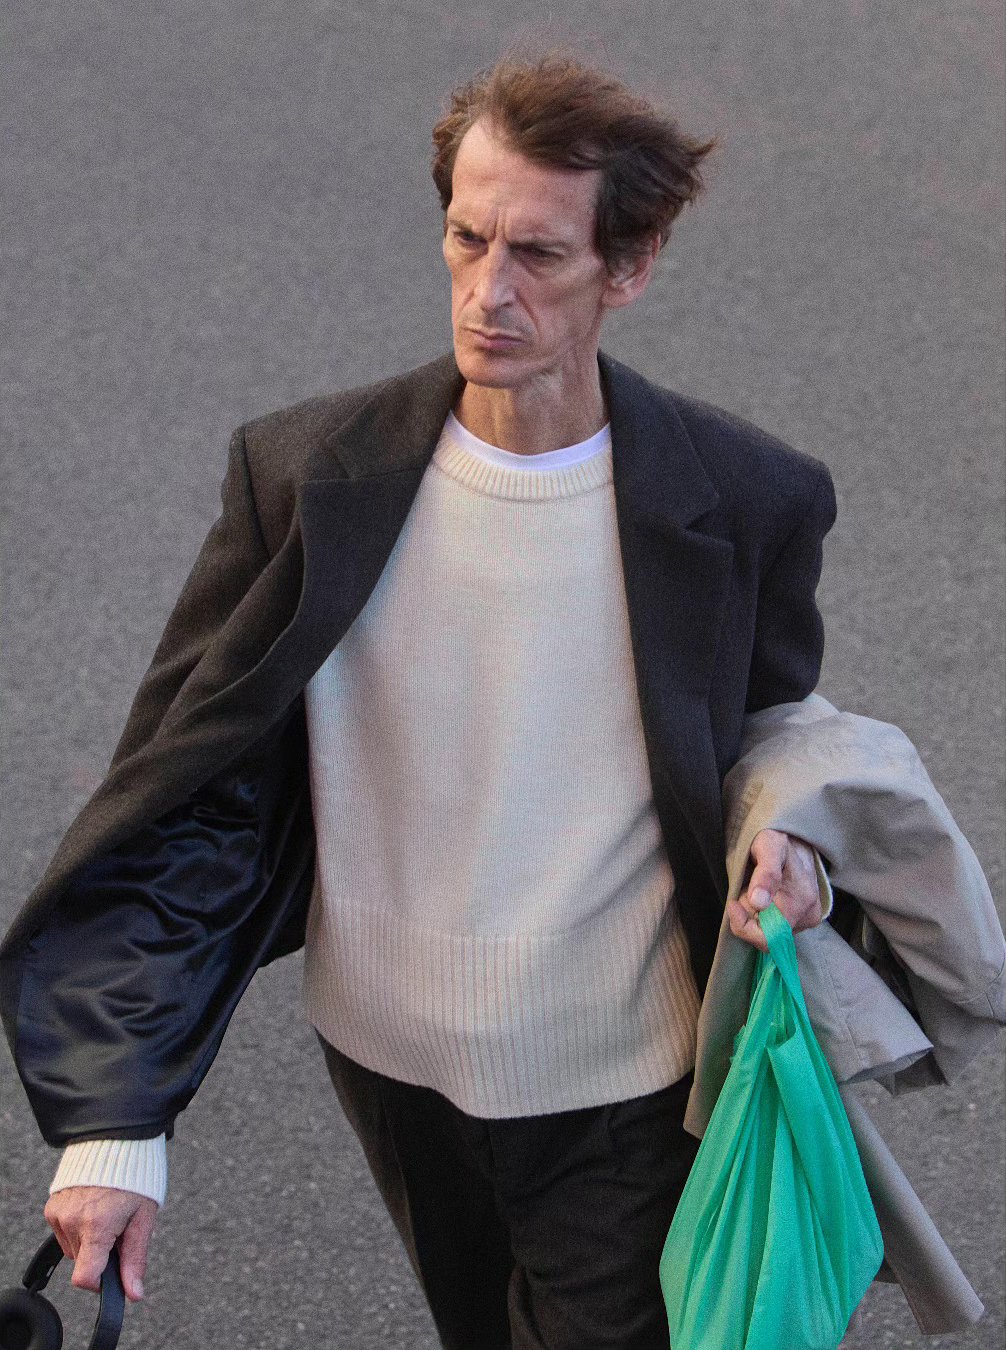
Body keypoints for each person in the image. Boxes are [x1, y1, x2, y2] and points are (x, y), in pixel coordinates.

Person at [3, 56, 841, 1349]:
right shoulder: (307, 481)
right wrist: (116, 1122)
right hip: (391, 1060)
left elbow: (768, 724)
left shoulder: (746, 497)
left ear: (629, 265)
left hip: (629, 1071)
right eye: (466, 237)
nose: (488, 292)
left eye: (538, 254)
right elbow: (189, 794)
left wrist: (796, 838)